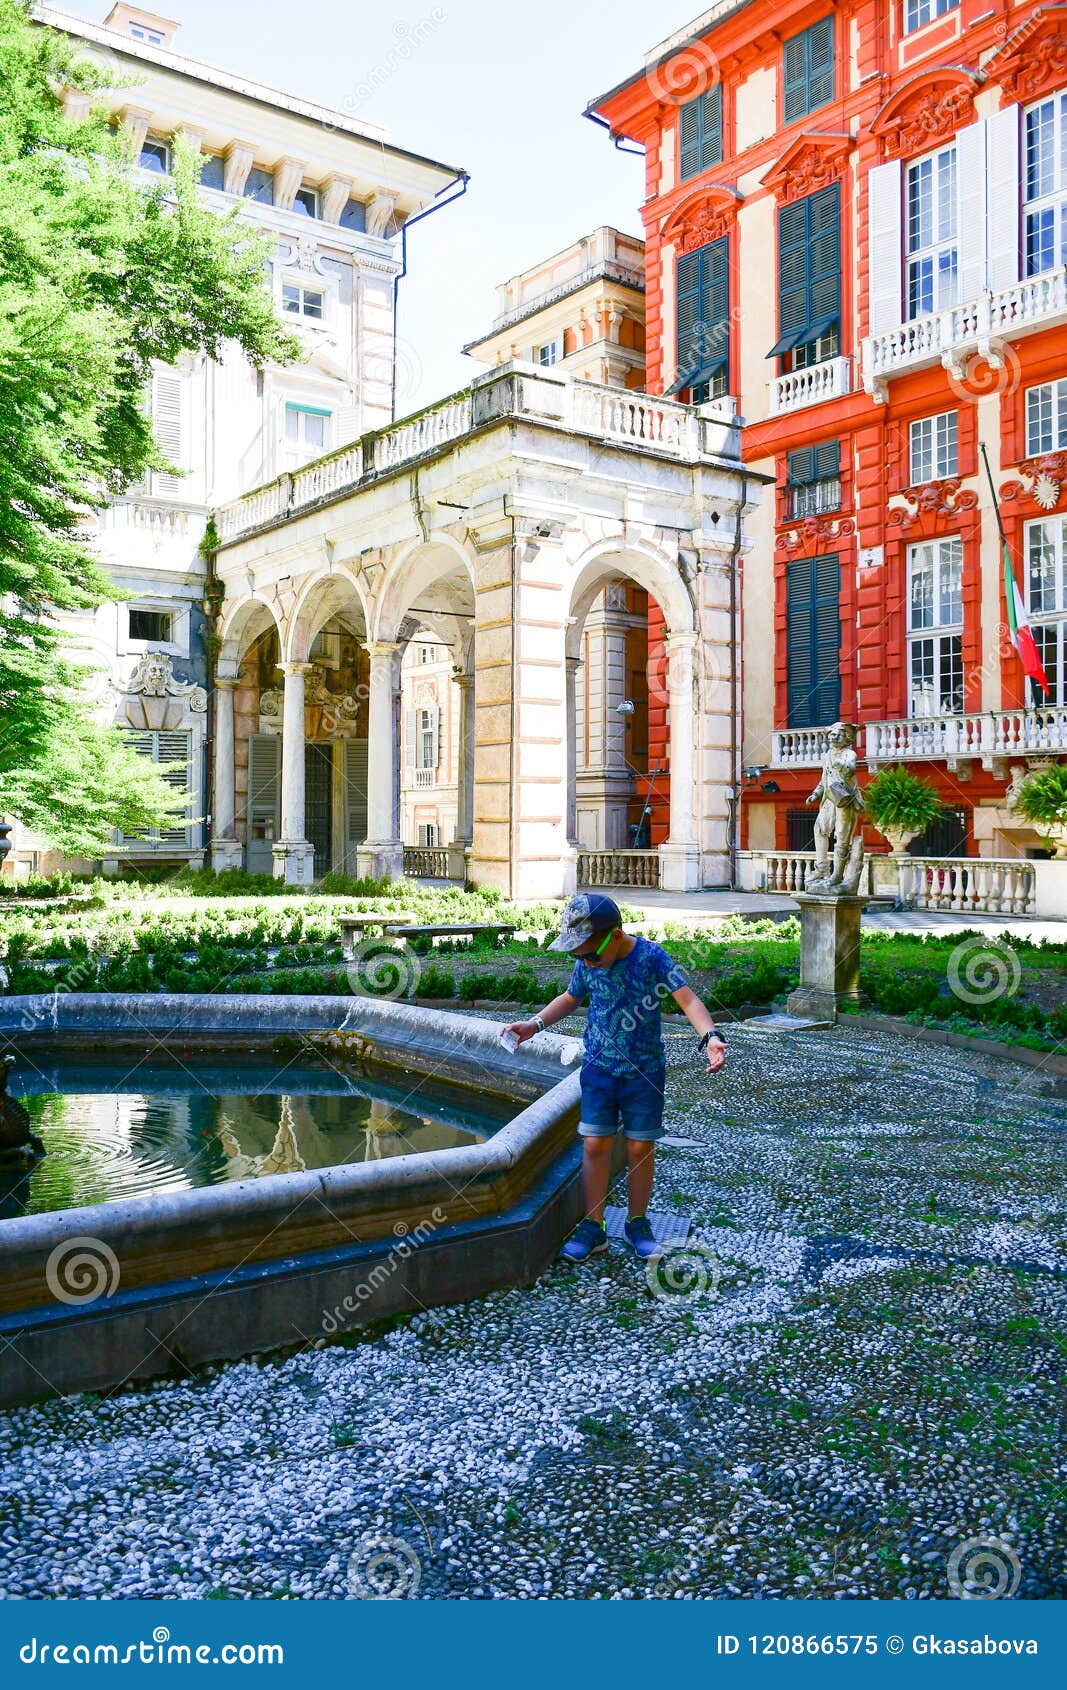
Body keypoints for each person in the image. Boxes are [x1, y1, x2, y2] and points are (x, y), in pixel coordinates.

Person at [505, 892, 726, 1264]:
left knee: (640, 1147)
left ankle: (638, 1222)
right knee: (594, 1144)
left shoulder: (651, 958)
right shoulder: (588, 962)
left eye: (591, 955)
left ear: (617, 935)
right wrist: (534, 1024)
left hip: (644, 1071)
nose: (586, 963)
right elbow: (571, 997)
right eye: (579, 957)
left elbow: (687, 1000)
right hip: (599, 1069)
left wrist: (711, 1037)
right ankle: (594, 1227)